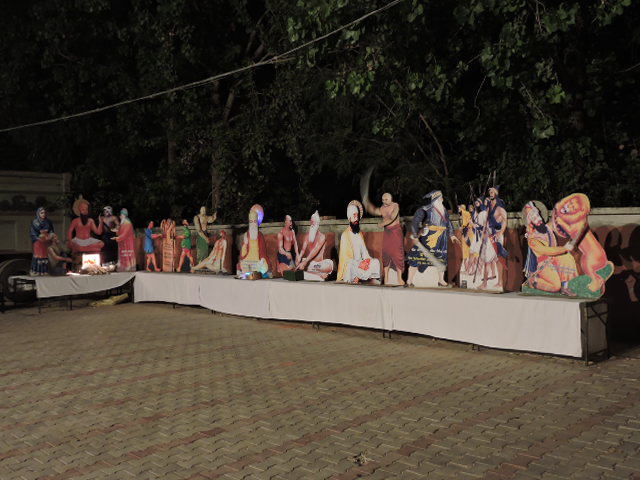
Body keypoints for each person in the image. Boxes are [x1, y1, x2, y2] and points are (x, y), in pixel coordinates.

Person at [406, 190, 459, 287]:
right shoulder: (425, 209)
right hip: (429, 236)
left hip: (442, 237)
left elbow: (448, 223)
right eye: (437, 198)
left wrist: (452, 235)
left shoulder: (444, 211)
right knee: (417, 256)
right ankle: (409, 280)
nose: (440, 199)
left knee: (441, 258)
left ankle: (441, 280)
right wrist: (415, 234)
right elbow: (415, 222)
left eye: (440, 197)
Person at [522, 202, 577, 295]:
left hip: (554, 258)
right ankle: (534, 281)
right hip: (543, 264)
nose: (538, 219)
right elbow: (546, 251)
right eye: (534, 218)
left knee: (568, 258)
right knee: (555, 287)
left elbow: (557, 221)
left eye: (538, 216)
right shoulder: (532, 239)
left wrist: (567, 211)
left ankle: (565, 287)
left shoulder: (547, 227)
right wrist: (564, 248)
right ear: (531, 222)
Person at [363, 192, 405, 285]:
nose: (384, 201)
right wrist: (366, 203)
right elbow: (374, 210)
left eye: (386, 199)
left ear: (391, 199)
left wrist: (382, 224)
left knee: (398, 254)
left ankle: (399, 278)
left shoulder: (395, 205)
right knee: (386, 253)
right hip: (387, 232)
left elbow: (392, 217)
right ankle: (386, 278)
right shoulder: (382, 208)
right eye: (383, 200)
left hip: (396, 232)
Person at [337, 200, 381, 284]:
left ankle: (363, 278)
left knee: (376, 262)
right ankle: (360, 278)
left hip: (361, 265)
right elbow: (346, 260)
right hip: (353, 266)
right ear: (349, 217)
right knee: (350, 267)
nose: (356, 218)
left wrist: (367, 261)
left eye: (357, 215)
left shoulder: (359, 234)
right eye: (354, 215)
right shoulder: (345, 235)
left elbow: (364, 253)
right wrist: (359, 264)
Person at [481, 186, 508, 289]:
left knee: (497, 259)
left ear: (496, 193)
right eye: (490, 192)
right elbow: (486, 221)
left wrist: (501, 232)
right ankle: (485, 283)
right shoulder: (489, 207)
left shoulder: (500, 208)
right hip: (489, 235)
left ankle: (498, 283)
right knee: (487, 259)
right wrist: (484, 231)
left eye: (492, 192)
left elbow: (505, 220)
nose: (491, 193)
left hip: (496, 235)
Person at [296, 211, 334, 281]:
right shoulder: (307, 236)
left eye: (314, 222)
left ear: (317, 223)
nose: (312, 224)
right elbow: (303, 250)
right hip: (310, 263)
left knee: (328, 266)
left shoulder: (322, 236)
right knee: (301, 265)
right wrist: (299, 257)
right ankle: (319, 275)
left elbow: (315, 250)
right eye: (311, 222)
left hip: (318, 264)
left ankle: (311, 273)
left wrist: (305, 262)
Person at [237, 207, 270, 277]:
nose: (253, 224)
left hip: (258, 261)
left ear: (257, 222)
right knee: (242, 264)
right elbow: (242, 255)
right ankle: (250, 271)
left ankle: (253, 271)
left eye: (254, 221)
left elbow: (263, 251)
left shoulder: (260, 235)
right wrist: (245, 244)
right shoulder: (246, 235)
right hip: (248, 260)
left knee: (264, 266)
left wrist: (262, 260)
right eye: (251, 222)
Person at [30, 207, 54, 275]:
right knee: (38, 257)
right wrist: (38, 238)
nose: (43, 214)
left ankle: (45, 271)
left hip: (46, 242)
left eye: (45, 213)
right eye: (42, 213)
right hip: (38, 242)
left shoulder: (49, 222)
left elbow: (51, 231)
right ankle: (36, 271)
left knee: (46, 257)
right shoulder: (34, 222)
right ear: (38, 213)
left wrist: (51, 235)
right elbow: (33, 233)